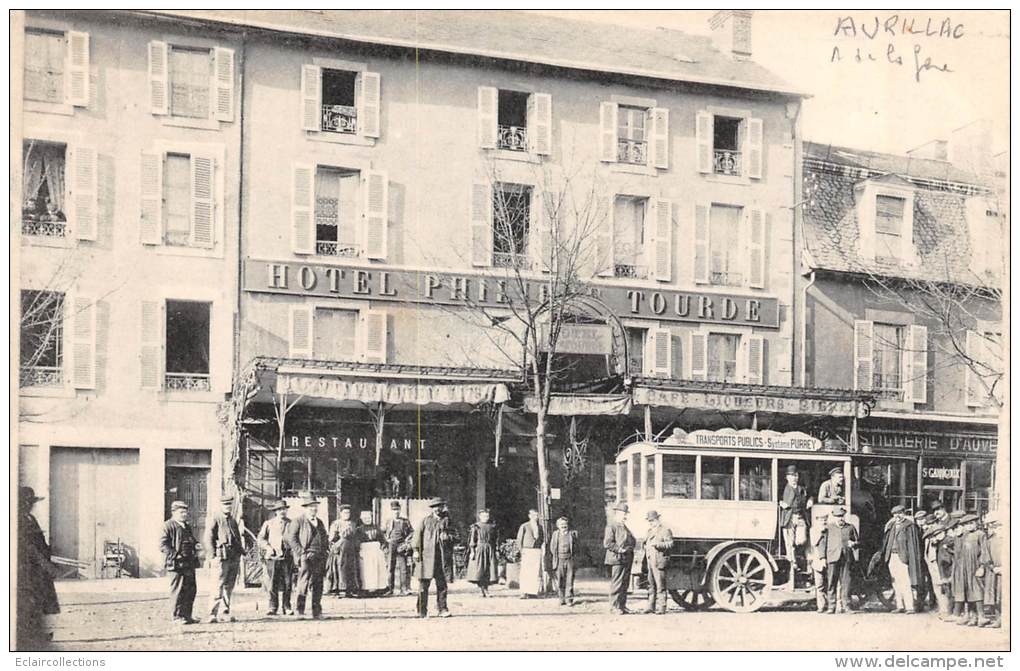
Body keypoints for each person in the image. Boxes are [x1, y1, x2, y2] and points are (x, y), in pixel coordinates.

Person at [17, 487, 60, 649]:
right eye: (29, 502)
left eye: (31, 503)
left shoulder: (30, 518)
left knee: (38, 601)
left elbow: (39, 543)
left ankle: (36, 634)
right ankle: (28, 636)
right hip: (28, 568)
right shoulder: (18, 520)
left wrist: (49, 555)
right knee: (29, 601)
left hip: (38, 569)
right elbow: (29, 547)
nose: (31, 506)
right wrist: (46, 564)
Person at [285, 492, 329, 619]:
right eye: (310, 507)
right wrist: (301, 553)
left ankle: (317, 611)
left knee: (318, 583)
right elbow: (291, 538)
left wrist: (325, 550)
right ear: (305, 508)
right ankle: (300, 610)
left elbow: (324, 537)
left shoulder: (319, 522)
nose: (313, 509)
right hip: (306, 556)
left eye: (315, 506)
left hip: (319, 556)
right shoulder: (298, 521)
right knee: (303, 583)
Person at [206, 495, 248, 623]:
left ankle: (224, 611)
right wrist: (212, 555)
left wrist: (241, 551)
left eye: (229, 505)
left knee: (229, 586)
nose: (227, 507)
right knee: (218, 585)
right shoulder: (215, 518)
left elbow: (236, 538)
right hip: (221, 557)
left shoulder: (232, 520)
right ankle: (212, 613)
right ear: (220, 505)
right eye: (225, 505)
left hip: (233, 556)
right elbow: (208, 537)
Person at [159, 500, 199, 626]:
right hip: (176, 565)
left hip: (189, 563)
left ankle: (187, 616)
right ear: (174, 512)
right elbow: (162, 545)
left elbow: (191, 540)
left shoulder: (186, 526)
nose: (184, 514)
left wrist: (196, 544)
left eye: (185, 512)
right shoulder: (168, 526)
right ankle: (176, 617)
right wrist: (176, 555)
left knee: (191, 590)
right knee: (177, 591)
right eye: (181, 512)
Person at [879, 504, 923, 613]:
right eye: (895, 514)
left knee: (905, 581)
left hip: (903, 557)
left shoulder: (909, 526)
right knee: (895, 582)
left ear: (904, 513)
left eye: (899, 513)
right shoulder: (892, 526)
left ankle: (909, 607)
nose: (897, 516)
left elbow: (913, 545)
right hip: (891, 557)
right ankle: (900, 606)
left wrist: (910, 559)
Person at [414, 497, 452, 618]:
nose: (438, 509)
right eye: (435, 506)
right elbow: (417, 536)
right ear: (432, 508)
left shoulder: (448, 521)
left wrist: (448, 537)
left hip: (441, 558)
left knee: (442, 585)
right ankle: (421, 610)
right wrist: (415, 551)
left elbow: (457, 536)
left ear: (443, 507)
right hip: (427, 558)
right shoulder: (425, 521)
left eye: (440, 506)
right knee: (423, 586)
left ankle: (442, 609)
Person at [951, 514, 992, 627]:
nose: (969, 526)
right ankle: (972, 616)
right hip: (964, 567)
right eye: (966, 524)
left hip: (975, 566)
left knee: (977, 590)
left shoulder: (981, 535)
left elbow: (984, 551)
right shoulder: (963, 536)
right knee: (967, 591)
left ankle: (981, 616)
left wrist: (982, 566)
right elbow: (958, 551)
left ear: (976, 523)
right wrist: (957, 536)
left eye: (971, 523)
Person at [816, 507, 858, 614]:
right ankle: (831, 606)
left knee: (846, 583)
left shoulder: (850, 527)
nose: (840, 518)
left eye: (842, 516)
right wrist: (822, 558)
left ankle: (847, 606)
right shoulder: (828, 528)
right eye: (838, 516)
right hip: (832, 558)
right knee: (831, 583)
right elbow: (822, 544)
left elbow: (857, 541)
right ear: (834, 517)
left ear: (844, 516)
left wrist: (854, 544)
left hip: (846, 558)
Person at [257, 500, 293, 616]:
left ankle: (287, 607)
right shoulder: (269, 523)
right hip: (272, 557)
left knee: (288, 583)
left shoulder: (291, 523)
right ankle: (273, 607)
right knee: (272, 583)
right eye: (279, 510)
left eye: (284, 509)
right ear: (276, 512)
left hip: (287, 557)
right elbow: (261, 539)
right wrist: (268, 547)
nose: (282, 511)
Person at [778, 465, 809, 588]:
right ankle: (793, 562)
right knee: (789, 543)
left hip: (800, 516)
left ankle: (797, 558)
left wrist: (810, 500)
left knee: (802, 540)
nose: (794, 478)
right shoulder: (783, 488)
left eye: (795, 475)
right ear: (787, 477)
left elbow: (810, 495)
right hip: (789, 518)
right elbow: (777, 498)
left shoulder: (802, 489)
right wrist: (781, 503)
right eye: (791, 476)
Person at [603, 502, 636, 615]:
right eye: (623, 513)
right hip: (617, 558)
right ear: (617, 513)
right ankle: (614, 606)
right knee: (617, 583)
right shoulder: (612, 526)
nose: (625, 516)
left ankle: (622, 606)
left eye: (626, 513)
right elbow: (607, 543)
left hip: (626, 558)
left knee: (624, 583)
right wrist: (619, 549)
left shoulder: (624, 526)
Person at [642, 510, 674, 615]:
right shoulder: (649, 531)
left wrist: (658, 544)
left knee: (660, 585)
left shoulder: (665, 530)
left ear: (657, 519)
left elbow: (670, 544)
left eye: (652, 520)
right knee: (651, 585)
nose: (651, 522)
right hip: (650, 561)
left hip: (659, 561)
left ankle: (662, 607)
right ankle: (650, 606)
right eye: (649, 521)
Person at [327, 504, 361, 597]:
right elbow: (331, 538)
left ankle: (351, 589)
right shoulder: (336, 523)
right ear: (340, 513)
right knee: (341, 568)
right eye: (345, 512)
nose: (347, 514)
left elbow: (356, 536)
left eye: (348, 512)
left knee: (351, 568)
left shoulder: (353, 524)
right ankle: (341, 588)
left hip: (351, 549)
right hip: (340, 549)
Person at [384, 501, 414, 596]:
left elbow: (412, 532)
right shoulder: (388, 521)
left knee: (403, 567)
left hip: (401, 546)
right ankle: (390, 589)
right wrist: (387, 539)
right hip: (391, 545)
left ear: (400, 510)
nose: (396, 512)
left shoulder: (405, 521)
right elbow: (383, 533)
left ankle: (404, 589)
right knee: (390, 567)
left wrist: (406, 541)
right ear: (391, 511)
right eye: (394, 510)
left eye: (397, 510)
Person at [923, 523, 952, 620]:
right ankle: (942, 609)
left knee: (943, 588)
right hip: (932, 566)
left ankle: (946, 610)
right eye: (931, 537)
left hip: (940, 566)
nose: (933, 539)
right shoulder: (931, 542)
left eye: (934, 536)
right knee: (937, 588)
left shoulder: (943, 542)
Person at [467, 509, 499, 597]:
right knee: (480, 570)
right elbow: (473, 540)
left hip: (489, 549)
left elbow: (495, 540)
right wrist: (472, 551)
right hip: (479, 549)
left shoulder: (492, 526)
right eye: (484, 516)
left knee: (489, 570)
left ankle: (486, 589)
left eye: (487, 516)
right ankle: (481, 589)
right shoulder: (476, 526)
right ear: (480, 516)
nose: (486, 518)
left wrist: (496, 550)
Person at [549, 516, 580, 606]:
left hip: (569, 559)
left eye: (565, 524)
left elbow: (577, 547)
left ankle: (569, 599)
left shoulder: (572, 534)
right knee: (560, 579)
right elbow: (552, 547)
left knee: (569, 579)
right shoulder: (555, 534)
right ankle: (561, 598)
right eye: (561, 524)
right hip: (559, 560)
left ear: (567, 525)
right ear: (558, 525)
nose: (563, 526)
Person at [515, 509, 545, 599]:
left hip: (536, 550)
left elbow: (542, 538)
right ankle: (524, 592)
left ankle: (532, 592)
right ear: (529, 516)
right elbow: (519, 539)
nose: (535, 517)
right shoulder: (524, 526)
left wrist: (540, 547)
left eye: (536, 515)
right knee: (525, 572)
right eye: (533, 515)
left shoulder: (540, 527)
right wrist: (521, 550)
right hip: (527, 550)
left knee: (535, 571)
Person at [358, 510, 388, 593]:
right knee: (366, 570)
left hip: (375, 550)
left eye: (369, 518)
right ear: (362, 519)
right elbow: (357, 541)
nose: (367, 520)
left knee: (376, 569)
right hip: (365, 550)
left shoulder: (377, 528)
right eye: (365, 518)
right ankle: (366, 588)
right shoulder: (359, 529)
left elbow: (382, 539)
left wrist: (383, 547)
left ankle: (377, 588)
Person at [981, 512, 1002, 627]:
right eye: (991, 526)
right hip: (994, 571)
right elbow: (986, 556)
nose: (994, 528)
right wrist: (993, 567)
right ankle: (998, 619)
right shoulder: (990, 540)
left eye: (997, 526)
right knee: (995, 596)